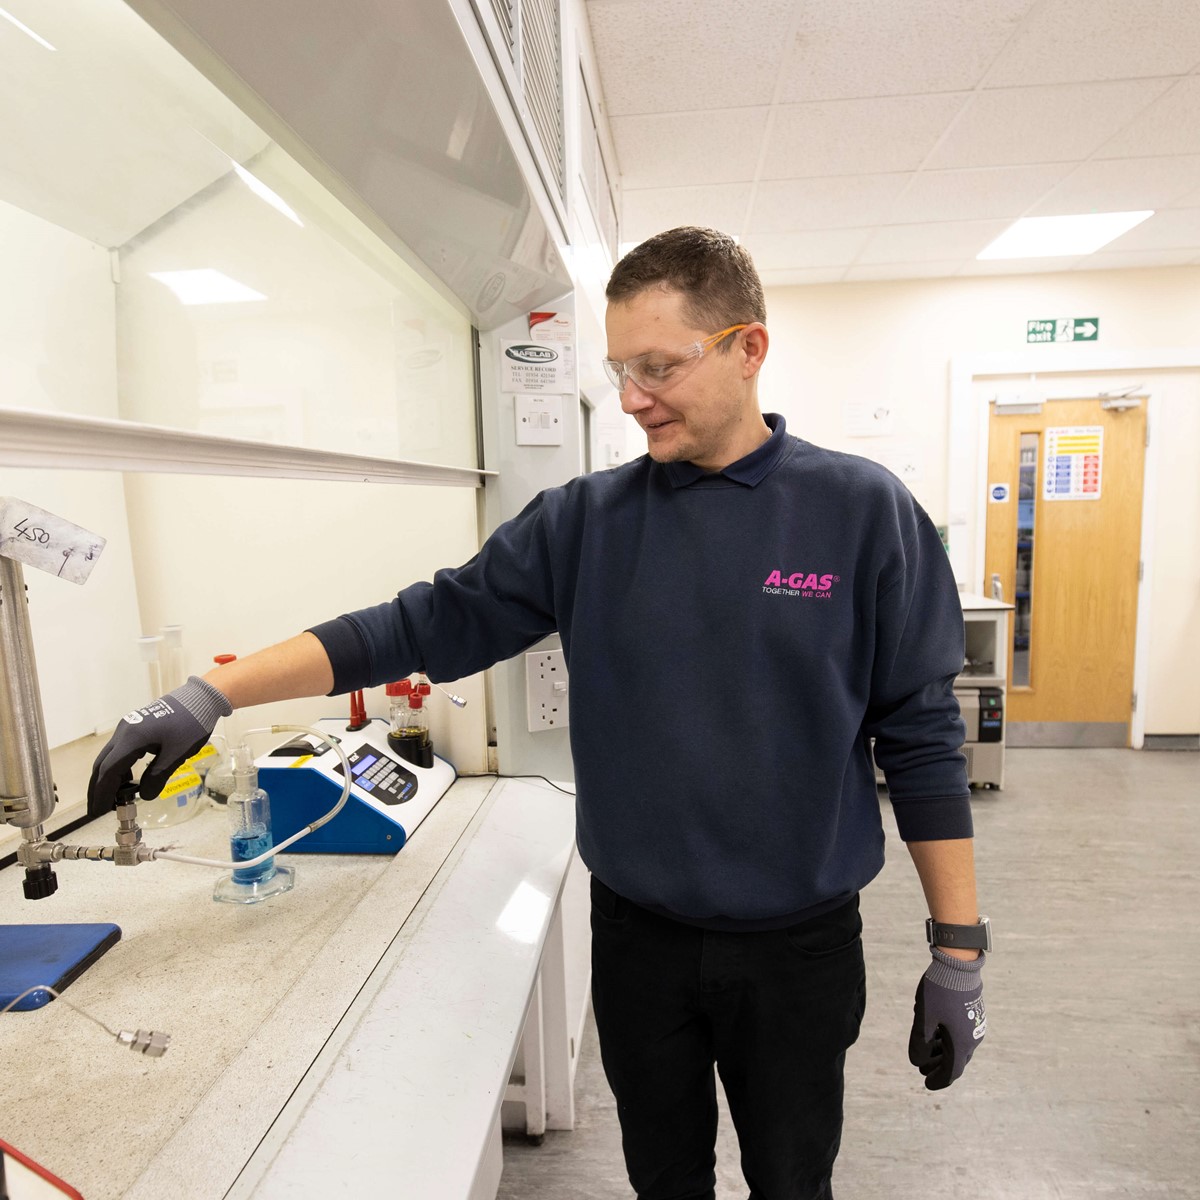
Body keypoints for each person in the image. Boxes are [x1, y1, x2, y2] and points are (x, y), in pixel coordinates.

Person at [89, 226, 987, 1200]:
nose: (634, 397)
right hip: (641, 942)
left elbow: (923, 740)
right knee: (664, 1183)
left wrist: (960, 950)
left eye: (660, 366)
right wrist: (212, 692)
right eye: (619, 369)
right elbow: (415, 625)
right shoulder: (587, 525)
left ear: (748, 348)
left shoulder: (860, 511)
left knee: (791, 1181)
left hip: (799, 949)